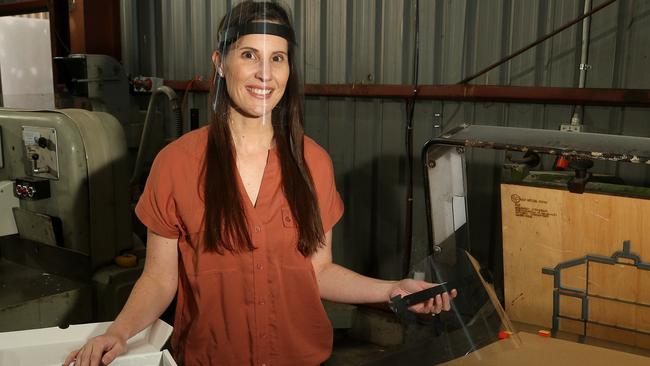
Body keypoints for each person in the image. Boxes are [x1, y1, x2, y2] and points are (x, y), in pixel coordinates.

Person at [64, 2, 456, 365]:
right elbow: (159, 278)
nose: (265, 73)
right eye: (249, 55)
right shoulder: (175, 165)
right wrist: (118, 332)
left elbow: (318, 271)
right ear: (220, 62)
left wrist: (390, 291)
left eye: (277, 58)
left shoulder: (312, 163)